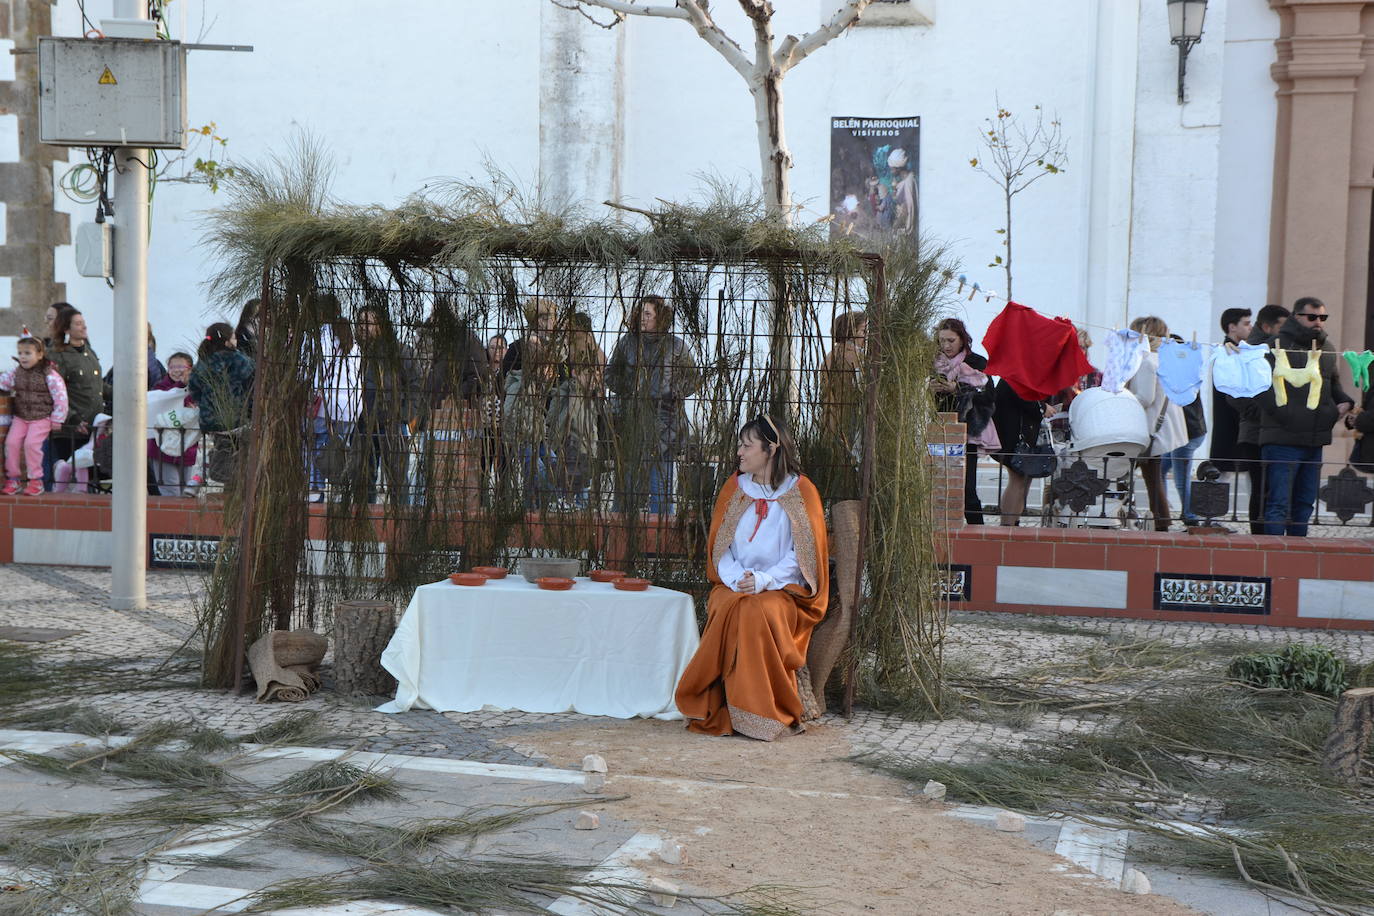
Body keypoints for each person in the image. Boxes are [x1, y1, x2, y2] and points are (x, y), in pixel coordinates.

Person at [674, 415, 829, 740]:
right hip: (732, 583)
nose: (740, 453)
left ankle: (764, 711)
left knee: (757, 610)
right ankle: (724, 704)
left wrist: (763, 581)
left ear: (770, 449)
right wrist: (738, 578)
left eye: (747, 446)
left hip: (783, 590)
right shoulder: (734, 488)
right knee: (735, 605)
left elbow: (802, 556)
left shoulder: (803, 492)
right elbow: (720, 548)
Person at [1256, 297, 1354, 536]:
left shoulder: (1327, 348)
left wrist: (1344, 402)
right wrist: (1286, 415)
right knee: (1278, 504)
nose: (1318, 322)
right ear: (1296, 317)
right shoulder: (1274, 345)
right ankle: (1275, 562)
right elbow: (1260, 389)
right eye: (1312, 317)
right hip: (1282, 439)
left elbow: (1332, 386)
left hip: (1314, 439)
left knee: (1304, 504)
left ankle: (1297, 560)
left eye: (1322, 317)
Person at [606, 295, 699, 515]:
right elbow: (610, 374)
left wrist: (675, 391)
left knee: (661, 490)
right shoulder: (627, 343)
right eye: (640, 313)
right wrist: (629, 388)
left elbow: (694, 378)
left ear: (660, 317)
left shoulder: (675, 345)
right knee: (626, 488)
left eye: (647, 314)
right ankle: (621, 541)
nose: (642, 319)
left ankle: (661, 545)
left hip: (665, 425)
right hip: (633, 423)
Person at [1225, 304, 1287, 533]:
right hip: (1254, 432)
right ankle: (1258, 537)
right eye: (1282, 326)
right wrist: (1261, 413)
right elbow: (1234, 393)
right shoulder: (1249, 350)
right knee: (1261, 490)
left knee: (1275, 489)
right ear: (1268, 326)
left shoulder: (1284, 348)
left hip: (1278, 431)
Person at [929, 317, 997, 524]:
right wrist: (929, 388)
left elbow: (988, 395)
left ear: (962, 340)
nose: (946, 346)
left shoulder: (976, 362)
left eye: (951, 340)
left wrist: (958, 389)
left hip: (968, 431)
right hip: (939, 428)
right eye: (942, 341)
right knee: (939, 485)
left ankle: (978, 533)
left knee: (967, 487)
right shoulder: (932, 362)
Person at [353, 303, 421, 504]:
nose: (363, 327)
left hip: (393, 424)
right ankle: (365, 529)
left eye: (369, 322)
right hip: (363, 424)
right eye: (360, 323)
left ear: (381, 325)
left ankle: (400, 529)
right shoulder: (355, 352)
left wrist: (404, 414)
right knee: (364, 479)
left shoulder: (399, 352)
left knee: (398, 482)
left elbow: (416, 384)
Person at [1126, 317, 1186, 531]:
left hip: (1150, 427)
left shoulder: (1146, 361)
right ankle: (1161, 520)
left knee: (1145, 475)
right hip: (1161, 426)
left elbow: (1145, 397)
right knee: (1153, 475)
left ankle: (1158, 520)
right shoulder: (1162, 359)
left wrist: (1123, 397)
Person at [502, 297, 561, 508]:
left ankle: (533, 511)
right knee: (536, 468)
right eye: (543, 318)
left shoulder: (557, 350)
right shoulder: (518, 349)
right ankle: (553, 503)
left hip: (541, 424)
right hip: (521, 424)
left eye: (551, 318)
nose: (548, 323)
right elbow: (504, 381)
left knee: (549, 464)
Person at [45, 305, 104, 491]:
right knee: (65, 478)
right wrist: (73, 418)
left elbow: (98, 386)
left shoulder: (89, 352)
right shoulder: (58, 355)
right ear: (66, 329)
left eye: (83, 323)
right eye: (78, 324)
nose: (83, 327)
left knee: (85, 480)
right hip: (70, 429)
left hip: (92, 426)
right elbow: (54, 391)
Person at [0, 337, 69, 496]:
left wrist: (58, 418)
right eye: (20, 353)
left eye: (27, 353)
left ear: (39, 355)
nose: (23, 356)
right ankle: (13, 479)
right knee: (11, 443)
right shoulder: (17, 372)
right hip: (21, 416)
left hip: (41, 417)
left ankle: (36, 481)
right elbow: (3, 381)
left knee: (32, 445)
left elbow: (60, 396)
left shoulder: (49, 374)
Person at [189, 322, 255, 484]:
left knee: (222, 447)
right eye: (233, 337)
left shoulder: (203, 362)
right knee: (237, 454)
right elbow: (252, 384)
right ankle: (228, 480)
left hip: (210, 420)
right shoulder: (239, 360)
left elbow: (194, 388)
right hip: (237, 418)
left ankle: (218, 477)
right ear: (227, 341)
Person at [818, 310, 868, 502]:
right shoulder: (854, 357)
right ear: (852, 331)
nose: (866, 336)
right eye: (864, 330)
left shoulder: (830, 355)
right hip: (851, 419)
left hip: (832, 419)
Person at [1162, 334, 1208, 525]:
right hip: (1188, 431)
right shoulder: (1185, 370)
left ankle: (1190, 515)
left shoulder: (1177, 375)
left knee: (1181, 478)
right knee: (1160, 469)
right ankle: (1162, 508)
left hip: (1186, 433)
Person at [147, 351, 200, 496]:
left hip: (187, 448)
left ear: (190, 369)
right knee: (170, 492)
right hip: (161, 449)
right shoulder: (160, 388)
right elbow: (166, 397)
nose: (176, 370)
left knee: (185, 493)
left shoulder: (196, 390)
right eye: (172, 367)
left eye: (181, 367)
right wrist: (181, 384)